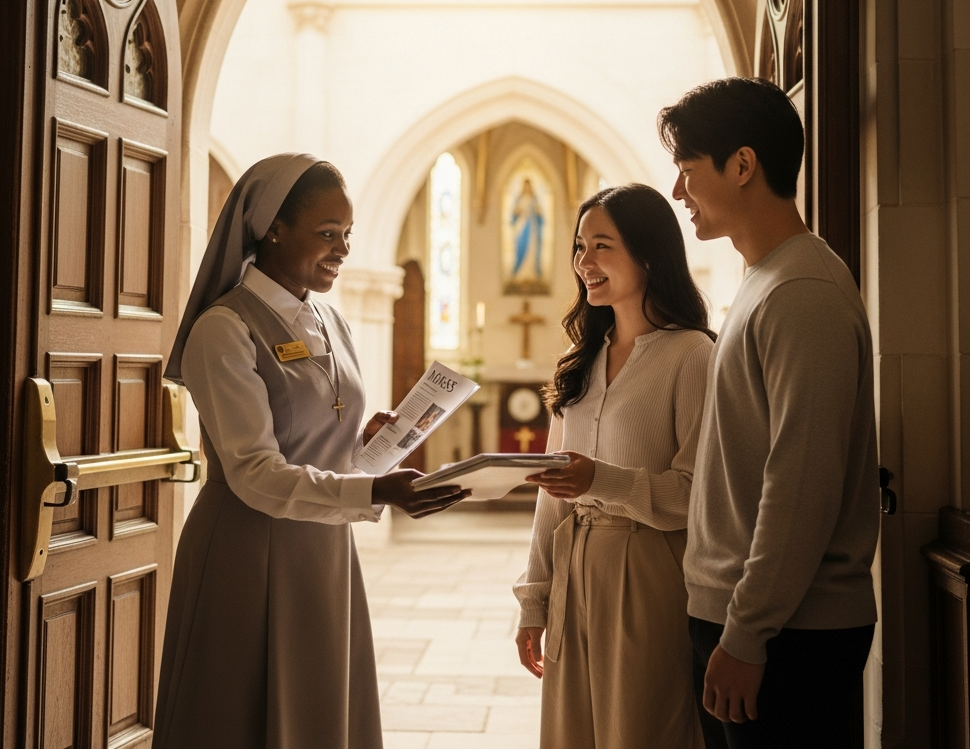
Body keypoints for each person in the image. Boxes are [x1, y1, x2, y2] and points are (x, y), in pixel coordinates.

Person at [153, 154, 467, 749]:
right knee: (239, 716)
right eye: (327, 234)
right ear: (273, 227)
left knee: (321, 711)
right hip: (247, 548)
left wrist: (366, 445)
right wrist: (374, 491)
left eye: (347, 235)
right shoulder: (224, 329)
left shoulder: (330, 320)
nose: (343, 249)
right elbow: (253, 471)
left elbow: (322, 433)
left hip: (324, 548)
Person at [657, 78, 879, 749]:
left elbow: (801, 481)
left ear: (743, 165)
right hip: (753, 619)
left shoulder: (800, 291)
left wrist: (748, 633)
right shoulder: (765, 279)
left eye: (688, 169)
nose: (678, 191)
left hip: (789, 633)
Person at [513, 183, 714, 749]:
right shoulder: (581, 364)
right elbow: (552, 496)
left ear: (649, 255)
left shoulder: (692, 356)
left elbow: (697, 493)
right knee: (572, 731)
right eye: (580, 246)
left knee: (642, 730)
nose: (584, 262)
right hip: (574, 565)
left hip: (649, 572)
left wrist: (600, 479)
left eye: (602, 246)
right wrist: (534, 601)